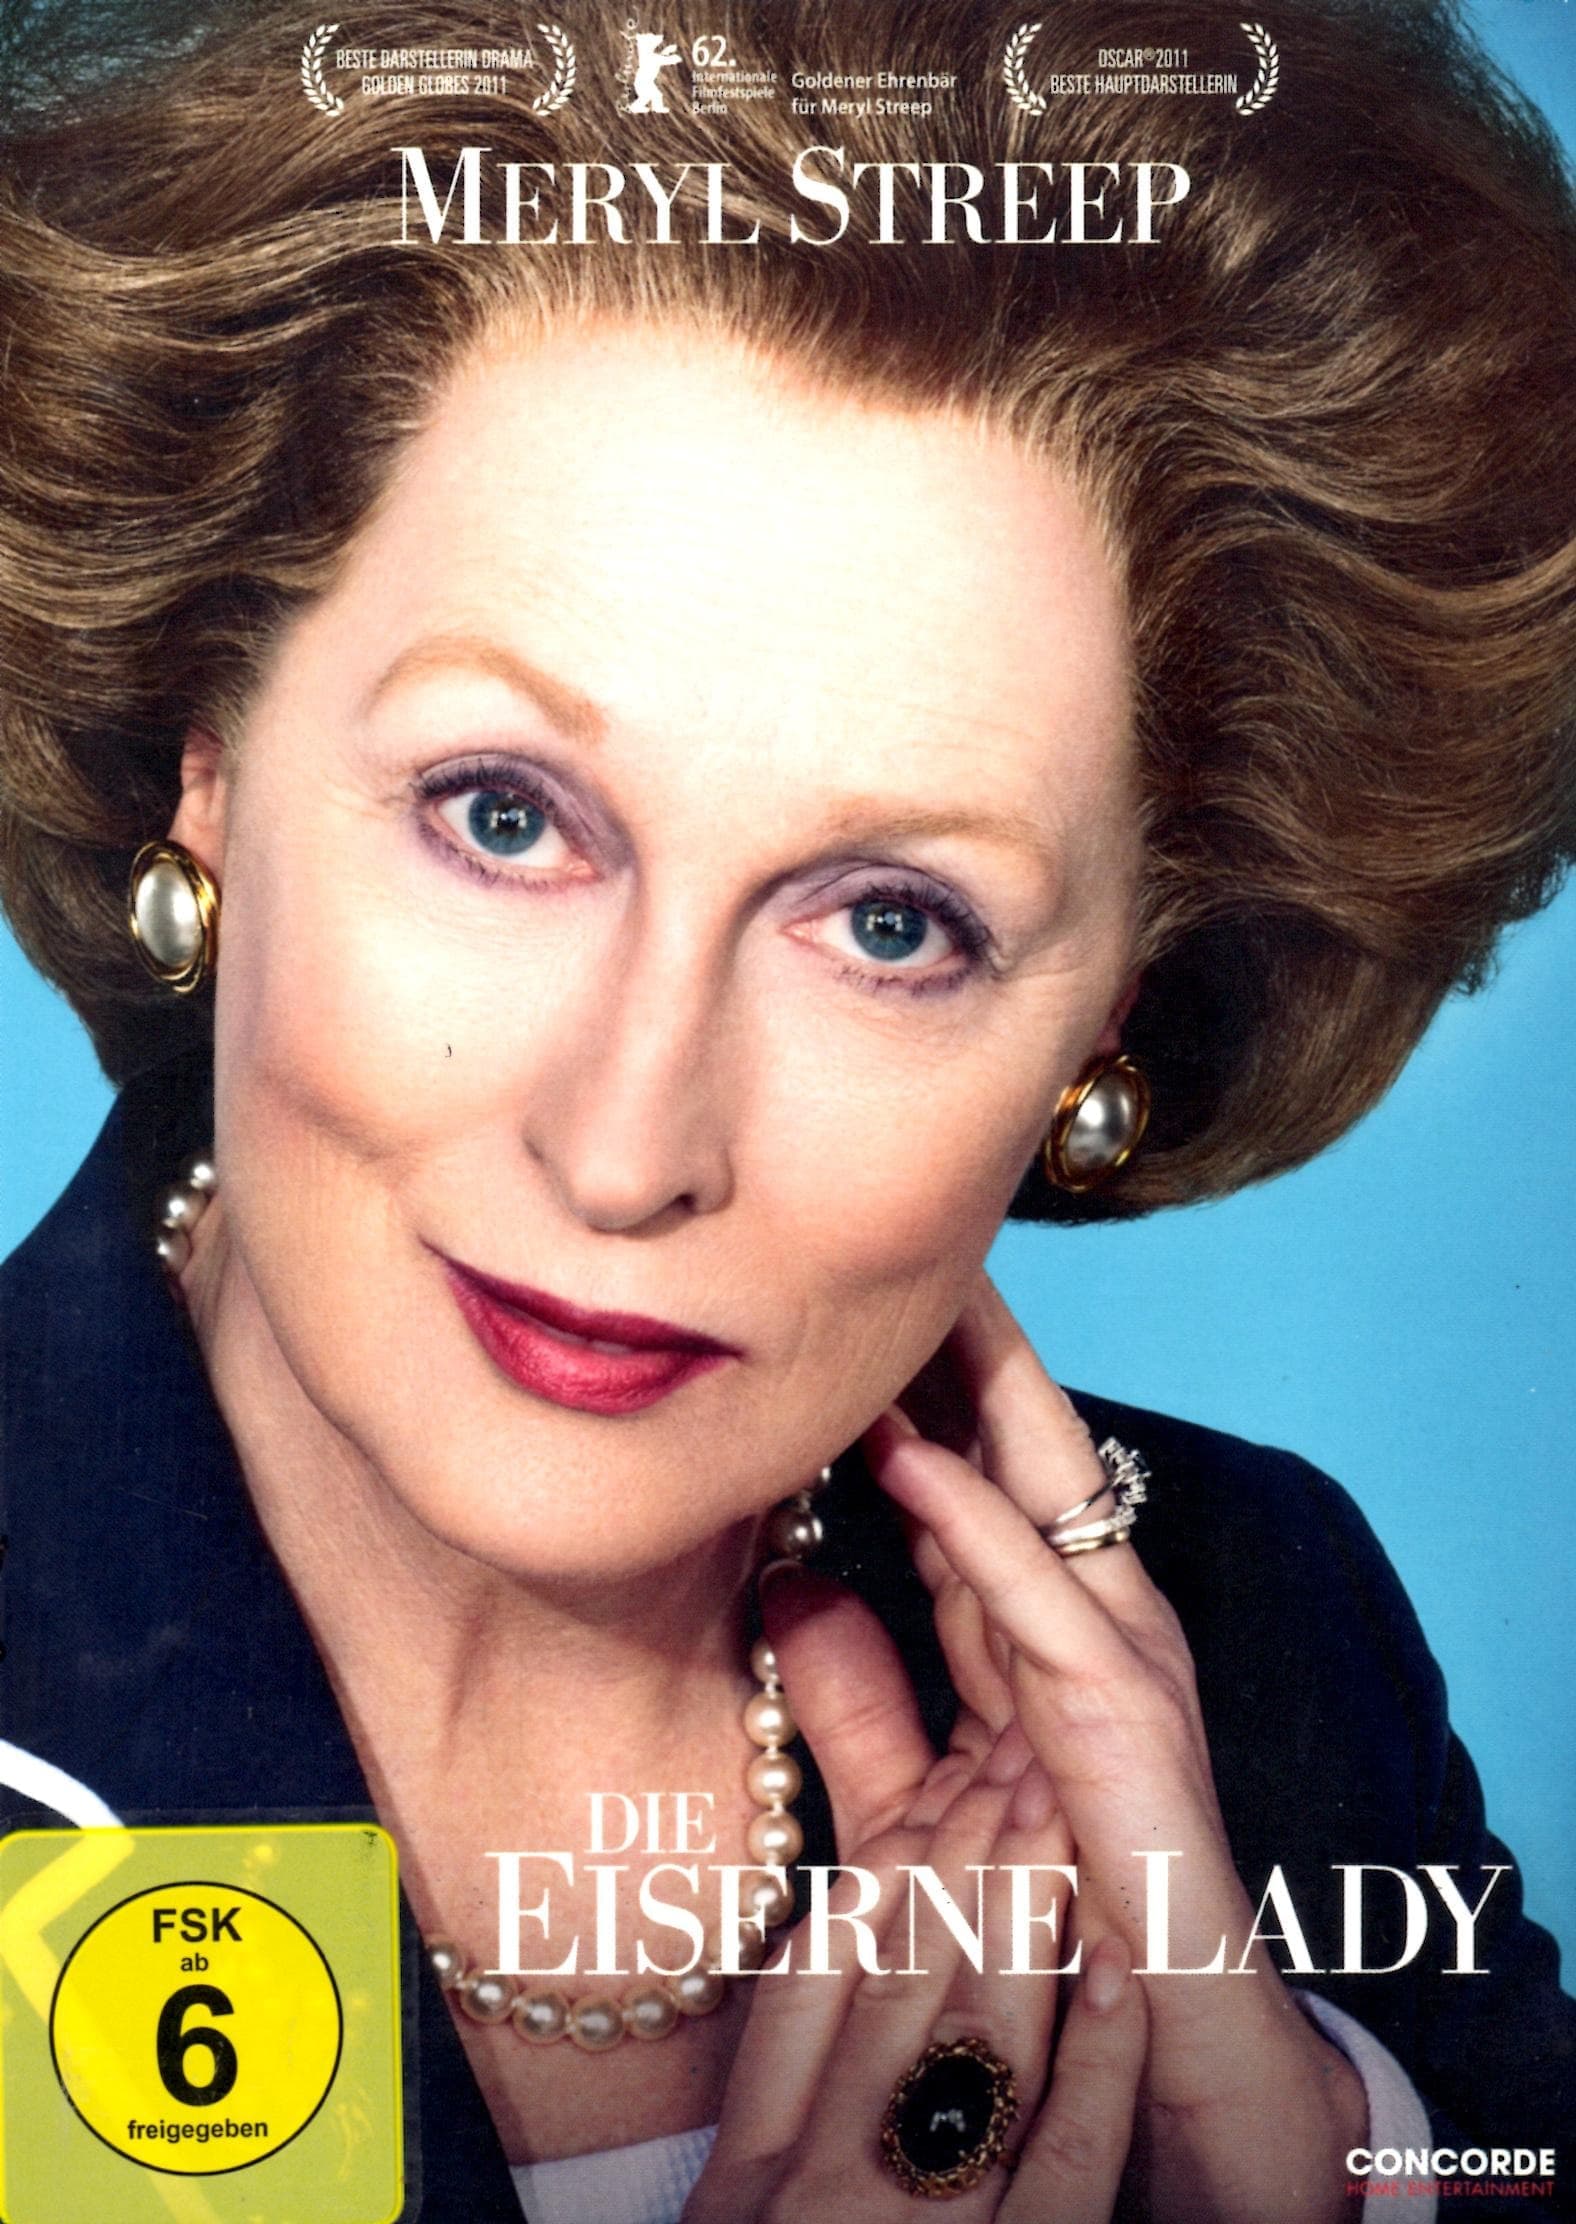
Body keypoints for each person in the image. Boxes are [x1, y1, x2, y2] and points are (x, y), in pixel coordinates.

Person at [1, 0, 1573, 2217]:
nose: (627, 1145)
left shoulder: (1259, 1627)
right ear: (208, 765)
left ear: (1108, 1021)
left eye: (892, 924)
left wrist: (1313, 2159)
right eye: (500, 814)